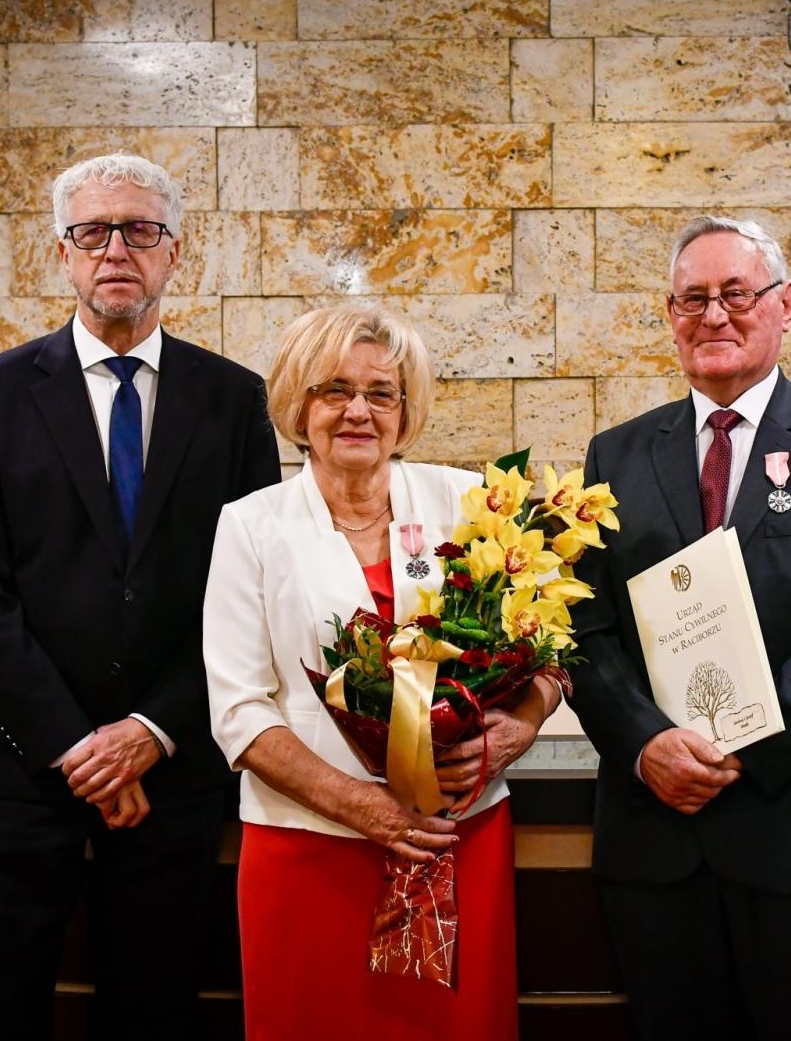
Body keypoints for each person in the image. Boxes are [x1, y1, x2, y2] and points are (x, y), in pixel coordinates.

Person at [0, 152, 281, 1040]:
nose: (116, 250)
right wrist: (76, 747)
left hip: (173, 768)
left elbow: (250, 596)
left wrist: (149, 733)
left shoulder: (234, 400)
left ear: (175, 252)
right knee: (1, 1011)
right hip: (27, 764)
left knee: (154, 1011)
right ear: (63, 252)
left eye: (140, 230)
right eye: (92, 231)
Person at [566, 215, 791, 1039]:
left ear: (785, 304)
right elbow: (583, 625)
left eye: (737, 293)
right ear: (669, 315)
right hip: (656, 837)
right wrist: (646, 745)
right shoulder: (614, 457)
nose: (714, 315)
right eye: (693, 299)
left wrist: (740, 739)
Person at [203, 303, 563, 1040]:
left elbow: (549, 647)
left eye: (381, 393)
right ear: (299, 405)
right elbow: (239, 714)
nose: (358, 411)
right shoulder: (251, 525)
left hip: (456, 837)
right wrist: (365, 809)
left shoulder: (467, 501)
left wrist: (522, 725)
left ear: (406, 409)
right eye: (335, 389)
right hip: (310, 848)